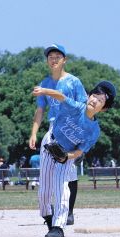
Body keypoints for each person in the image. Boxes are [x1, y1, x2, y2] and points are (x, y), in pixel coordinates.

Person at [32, 80, 116, 237]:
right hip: (50, 141)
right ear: (88, 96)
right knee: (44, 192)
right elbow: (61, 96)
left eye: (100, 100)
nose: (95, 100)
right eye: (94, 95)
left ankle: (58, 227)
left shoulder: (94, 131)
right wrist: (44, 90)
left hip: (66, 155)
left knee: (61, 186)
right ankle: (48, 217)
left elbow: (79, 151)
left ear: (103, 109)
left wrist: (65, 157)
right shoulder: (76, 107)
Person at [29, 44, 88, 227]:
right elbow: (40, 110)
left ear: (64, 60)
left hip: (70, 129)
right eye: (50, 57)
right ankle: (52, 212)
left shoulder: (73, 81)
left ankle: (68, 212)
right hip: (53, 128)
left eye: (57, 56)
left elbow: (84, 107)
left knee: (68, 171)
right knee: (51, 173)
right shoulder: (45, 82)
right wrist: (34, 133)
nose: (53, 59)